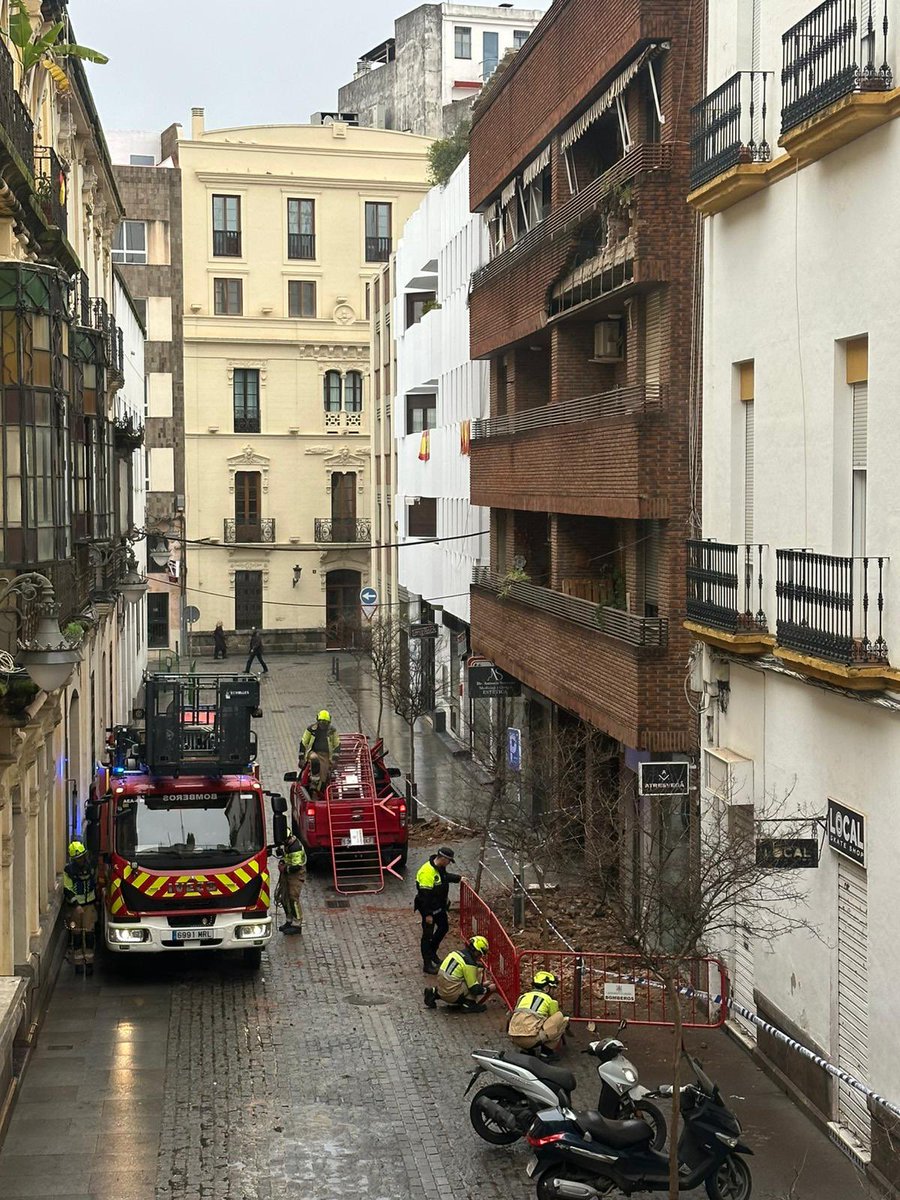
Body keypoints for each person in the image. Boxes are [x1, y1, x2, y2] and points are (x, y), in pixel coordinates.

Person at [414, 846, 461, 973]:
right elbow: (424, 897)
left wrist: (459, 878)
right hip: (429, 909)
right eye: (449, 861)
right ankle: (427, 964)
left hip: (439, 907)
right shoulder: (427, 872)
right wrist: (427, 915)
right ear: (443, 858)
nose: (449, 864)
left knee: (443, 927)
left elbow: (445, 877)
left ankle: (432, 952)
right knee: (427, 936)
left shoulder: (440, 868)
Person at [507, 970, 569, 1061]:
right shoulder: (550, 1000)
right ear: (547, 988)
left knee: (528, 1021)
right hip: (531, 1039)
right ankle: (546, 1053)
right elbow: (553, 1023)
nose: (554, 991)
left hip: (514, 1037)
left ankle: (528, 1051)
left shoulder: (523, 997)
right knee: (561, 1018)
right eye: (553, 988)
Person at [424, 936, 496, 1013]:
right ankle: (469, 1004)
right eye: (481, 954)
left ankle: (434, 992)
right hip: (452, 995)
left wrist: (483, 984)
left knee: (453, 981)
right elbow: (474, 989)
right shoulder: (469, 964)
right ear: (476, 952)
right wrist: (488, 989)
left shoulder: (455, 953)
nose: (480, 957)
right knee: (478, 970)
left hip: (441, 989)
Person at [63, 840, 98, 976]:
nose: (82, 859)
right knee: (76, 936)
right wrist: (76, 905)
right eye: (80, 858)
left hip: (89, 906)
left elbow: (94, 884)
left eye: (83, 856)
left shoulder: (90, 867)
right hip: (75, 909)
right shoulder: (69, 871)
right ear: (74, 859)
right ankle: (78, 965)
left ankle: (89, 964)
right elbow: (67, 889)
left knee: (89, 935)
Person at [274, 831, 307, 934]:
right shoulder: (288, 844)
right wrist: (282, 861)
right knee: (284, 898)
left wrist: (284, 869)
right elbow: (286, 857)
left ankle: (297, 925)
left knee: (293, 898)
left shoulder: (295, 847)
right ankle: (289, 921)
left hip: (296, 875)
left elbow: (296, 867)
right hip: (288, 873)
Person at [299, 710, 340, 791]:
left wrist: (335, 760)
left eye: (325, 723)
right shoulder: (311, 730)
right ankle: (314, 782)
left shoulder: (332, 731)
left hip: (326, 755)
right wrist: (301, 758)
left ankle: (320, 789)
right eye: (321, 722)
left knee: (324, 776)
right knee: (314, 759)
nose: (323, 725)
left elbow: (337, 745)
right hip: (313, 752)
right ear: (317, 721)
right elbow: (303, 743)